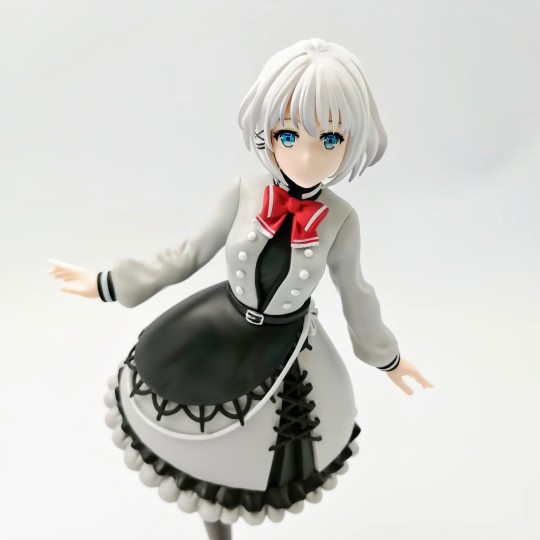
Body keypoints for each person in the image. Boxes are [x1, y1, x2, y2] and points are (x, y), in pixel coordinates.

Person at [50, 38, 432, 540]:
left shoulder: (341, 220)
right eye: (289, 134)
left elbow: (356, 294)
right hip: (217, 329)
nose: (307, 156)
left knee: (256, 455)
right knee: (198, 446)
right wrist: (107, 283)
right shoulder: (243, 192)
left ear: (353, 141)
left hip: (290, 352)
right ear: (265, 131)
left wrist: (388, 357)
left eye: (330, 139)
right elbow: (185, 254)